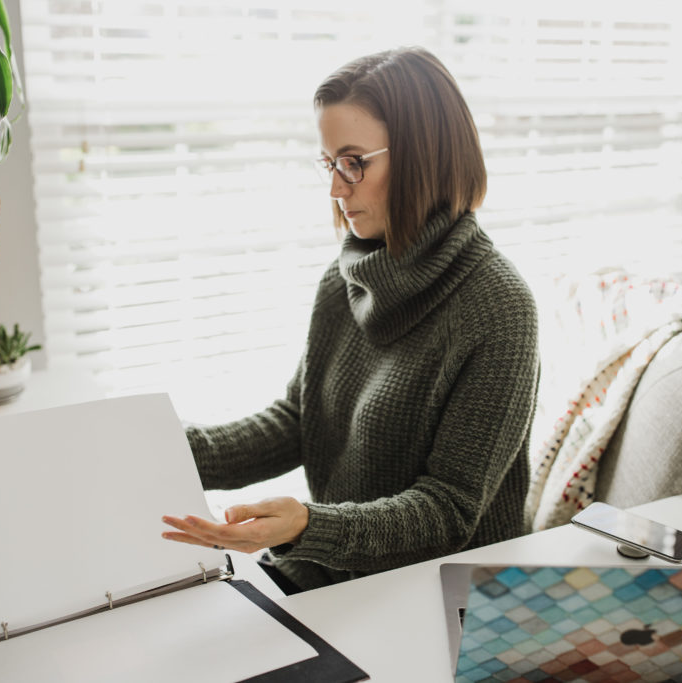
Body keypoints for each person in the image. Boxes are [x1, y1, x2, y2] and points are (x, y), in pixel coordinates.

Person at [161, 46, 539, 593]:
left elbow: (447, 510)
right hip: (333, 575)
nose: (337, 190)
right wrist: (168, 449)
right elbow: (300, 418)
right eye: (330, 163)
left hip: (436, 596)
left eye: (354, 162)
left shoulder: (498, 308)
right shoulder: (349, 276)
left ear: (422, 157)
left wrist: (310, 525)